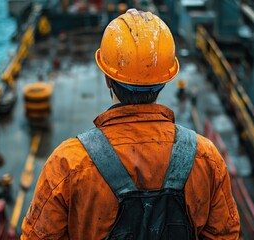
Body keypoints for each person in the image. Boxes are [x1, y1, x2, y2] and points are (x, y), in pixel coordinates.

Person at [21, 8, 240, 239]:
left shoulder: (68, 164)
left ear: (107, 79)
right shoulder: (206, 158)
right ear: (165, 81)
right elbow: (224, 234)